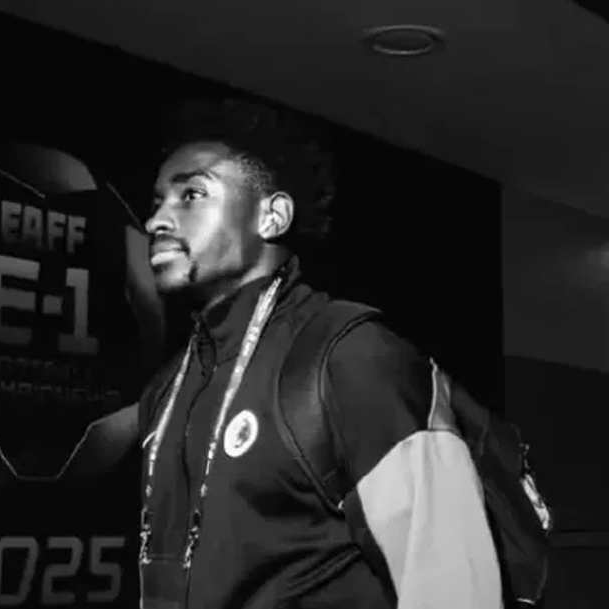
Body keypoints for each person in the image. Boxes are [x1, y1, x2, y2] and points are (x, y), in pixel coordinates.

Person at [137, 98, 502, 609]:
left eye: (191, 194)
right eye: (157, 201)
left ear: (272, 217)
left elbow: (452, 586)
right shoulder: (166, 390)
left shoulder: (351, 357)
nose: (156, 220)